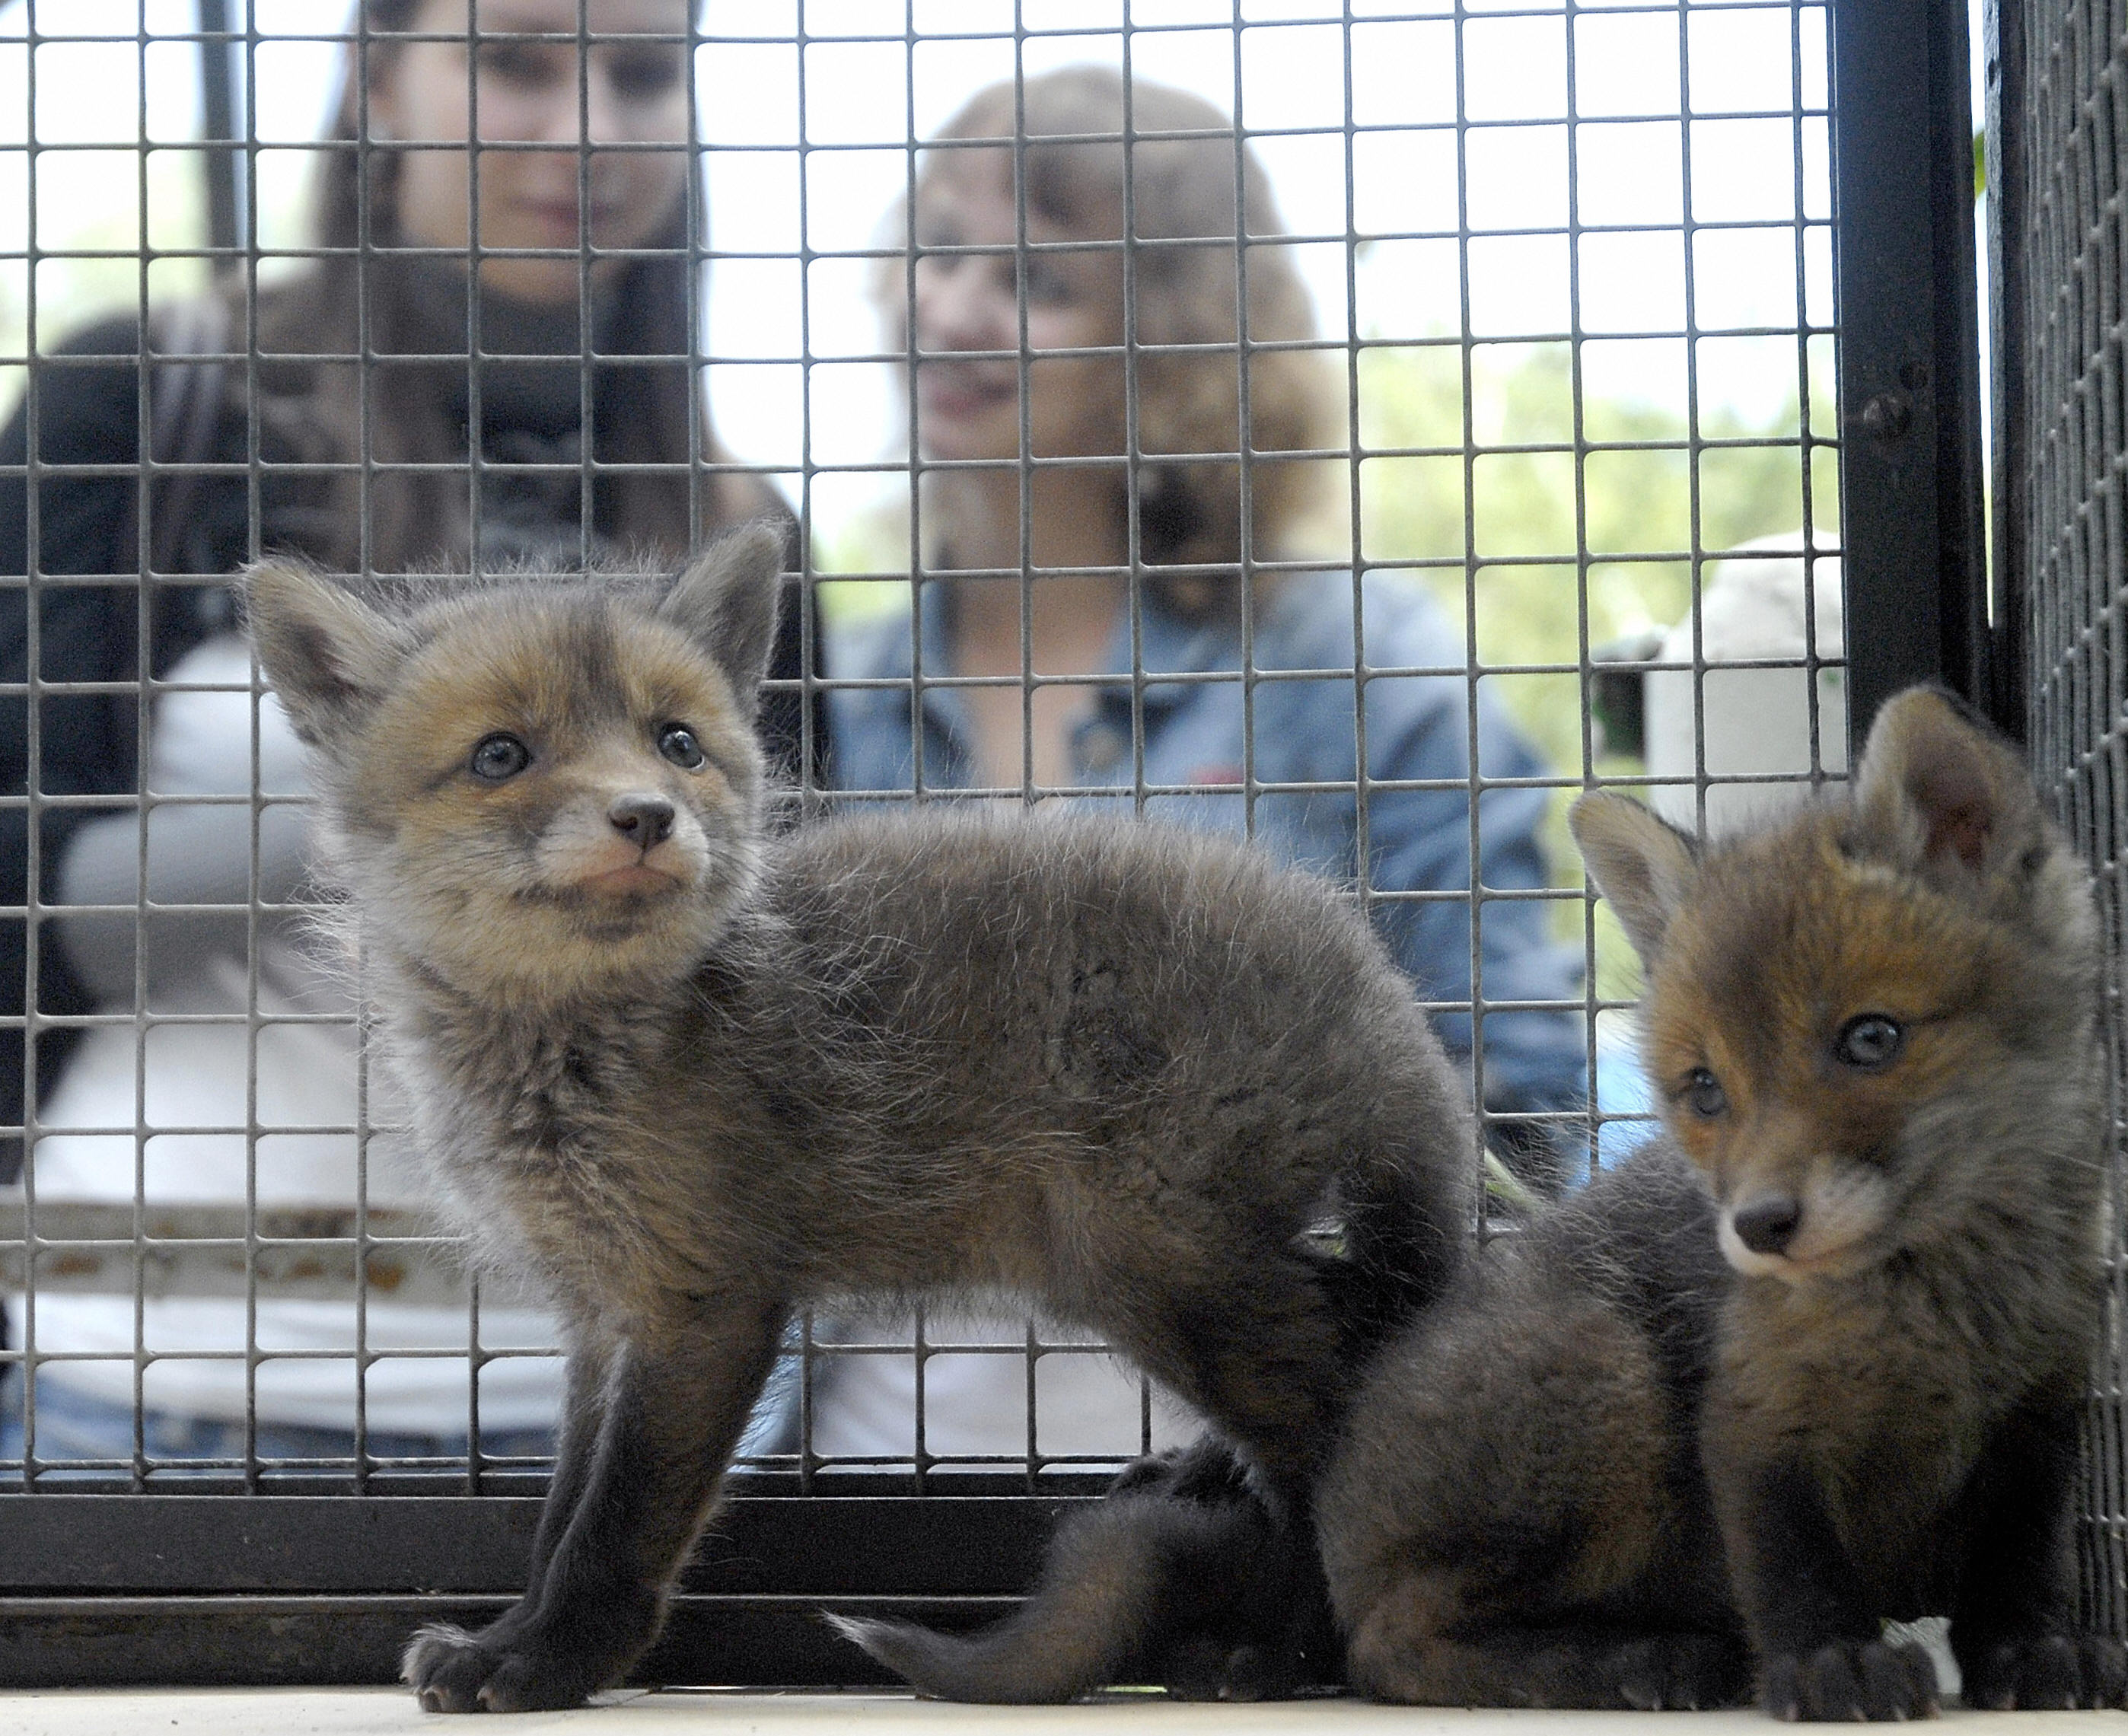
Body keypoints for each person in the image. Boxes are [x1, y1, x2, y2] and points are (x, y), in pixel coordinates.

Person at [0, 0, 817, 1468]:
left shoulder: (737, 525)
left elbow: (790, 961)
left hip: (636, 1419)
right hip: (170, 1386)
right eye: (513, 62)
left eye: (643, 75)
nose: (588, 131)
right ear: (378, 77)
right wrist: (423, 810)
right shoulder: (147, 408)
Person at [813, 66, 1586, 1470]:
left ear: (1172, 340)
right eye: (938, 248)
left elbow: (1516, 1103)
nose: (954, 307)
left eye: (1038, 279)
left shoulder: (1361, 670)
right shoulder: (835, 691)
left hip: (1244, 1479)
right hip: (854, 1477)